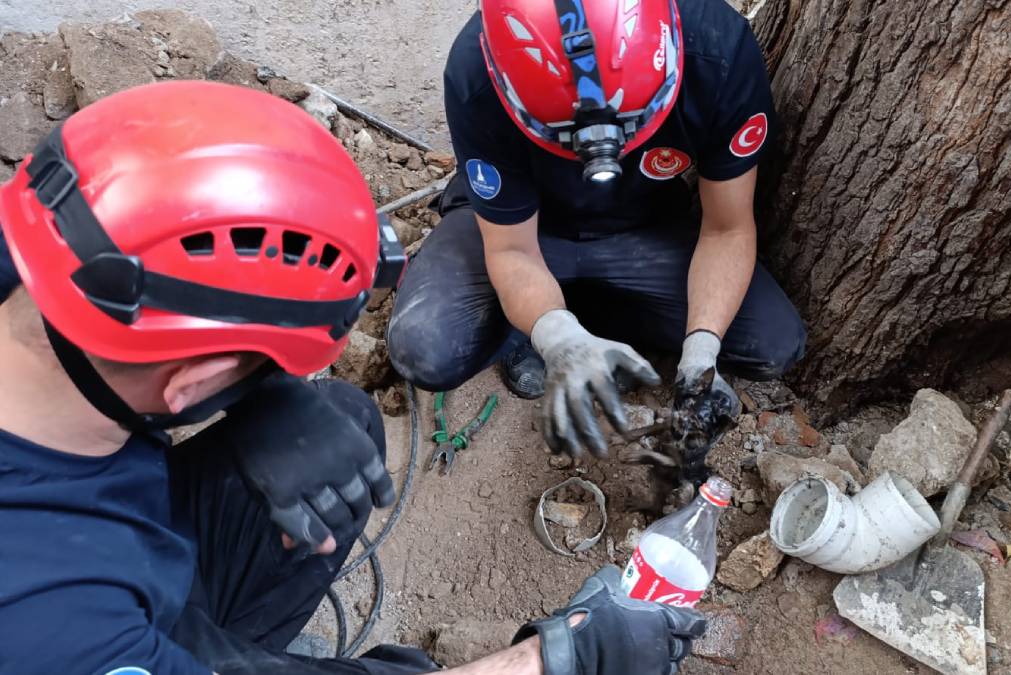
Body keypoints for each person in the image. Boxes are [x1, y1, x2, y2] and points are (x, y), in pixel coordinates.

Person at [0, 80, 704, 675]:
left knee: (336, 432)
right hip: (95, 615)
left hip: (110, 537)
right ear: (190, 381)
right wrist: (548, 660)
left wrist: (258, 399)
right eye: (255, 368)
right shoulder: (55, 623)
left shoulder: (49, 222)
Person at [388, 0, 807, 459]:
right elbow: (511, 250)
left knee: (770, 341)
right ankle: (549, 321)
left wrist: (701, 354)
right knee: (424, 347)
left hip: (643, 227)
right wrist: (557, 337)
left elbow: (726, 229)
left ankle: (569, 315)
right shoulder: (480, 69)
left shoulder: (718, 52)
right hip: (521, 227)